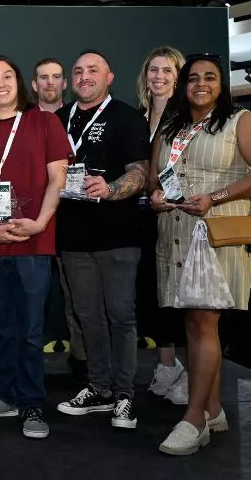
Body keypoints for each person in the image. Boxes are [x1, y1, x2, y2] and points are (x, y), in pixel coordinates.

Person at [151, 54, 251, 455]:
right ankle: (213, 409)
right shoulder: (171, 127)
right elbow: (155, 176)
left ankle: (193, 420)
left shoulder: (239, 121)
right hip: (175, 232)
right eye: (193, 78)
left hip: (216, 232)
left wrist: (216, 197)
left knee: (205, 320)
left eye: (210, 77)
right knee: (195, 323)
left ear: (221, 84)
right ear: (183, 85)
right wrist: (155, 195)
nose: (200, 84)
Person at [0, 55, 69, 440]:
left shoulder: (44, 122)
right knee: (2, 327)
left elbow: (59, 179)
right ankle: (5, 396)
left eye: (7, 76)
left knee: (31, 329)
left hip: (33, 238)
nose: (0, 84)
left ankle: (33, 403)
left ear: (20, 83)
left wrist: (40, 221)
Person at [54, 50, 149, 430]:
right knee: (88, 316)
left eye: (93, 70)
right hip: (73, 236)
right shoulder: (59, 120)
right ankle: (99, 388)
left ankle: (125, 394)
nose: (84, 76)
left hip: (118, 235)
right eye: (78, 71)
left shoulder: (127, 117)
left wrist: (109, 189)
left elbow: (140, 173)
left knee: (121, 317)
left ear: (109, 77)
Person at [135, 47, 190, 405]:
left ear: (178, 76)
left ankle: (189, 373)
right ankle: (167, 367)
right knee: (154, 294)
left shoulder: (186, 117)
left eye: (167, 70)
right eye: (153, 70)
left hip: (177, 215)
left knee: (180, 294)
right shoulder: (136, 117)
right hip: (140, 218)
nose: (158, 76)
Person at [31, 58, 86, 383]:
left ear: (64, 83)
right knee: (31, 296)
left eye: (56, 77)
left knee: (76, 294)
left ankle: (83, 360)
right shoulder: (23, 121)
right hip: (32, 219)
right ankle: (28, 363)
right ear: (34, 85)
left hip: (72, 217)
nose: (50, 83)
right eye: (43, 78)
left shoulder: (80, 119)